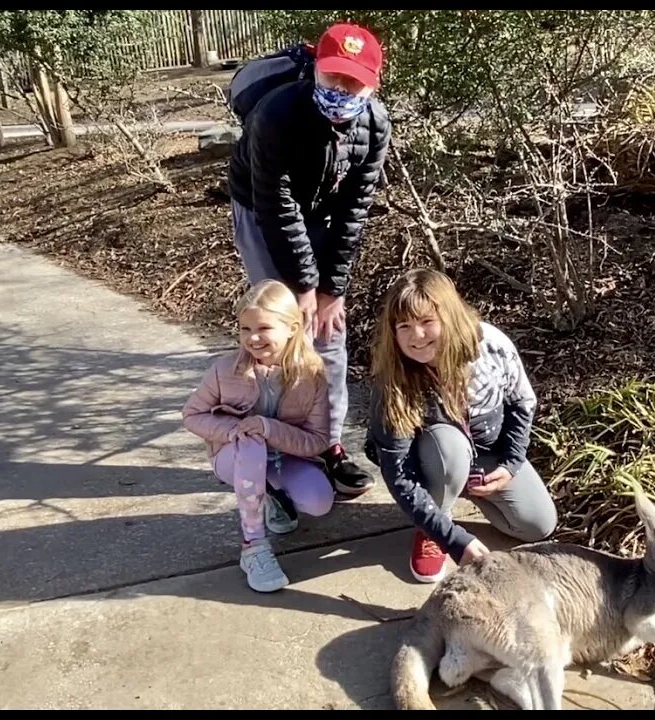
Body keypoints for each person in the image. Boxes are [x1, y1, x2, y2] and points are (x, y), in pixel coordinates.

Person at [226, 22, 391, 498]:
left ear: (372, 83)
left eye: (354, 81)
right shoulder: (274, 114)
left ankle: (328, 444)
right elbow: (277, 206)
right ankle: (268, 442)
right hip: (261, 209)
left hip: (323, 211)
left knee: (327, 331)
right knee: (277, 325)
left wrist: (331, 290)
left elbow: (355, 210)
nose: (341, 90)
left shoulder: (375, 124)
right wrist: (302, 288)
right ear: (315, 70)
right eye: (333, 76)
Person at [365, 269, 559, 583]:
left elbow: (523, 402)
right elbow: (397, 472)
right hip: (434, 459)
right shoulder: (392, 378)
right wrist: (455, 540)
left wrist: (511, 464)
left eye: (427, 322)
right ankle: (434, 522)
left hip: (486, 451)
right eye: (405, 326)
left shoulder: (491, 345)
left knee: (538, 526)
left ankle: (467, 489)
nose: (417, 336)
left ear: (450, 317)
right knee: (447, 449)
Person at [182, 279, 335, 592]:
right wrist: (234, 431)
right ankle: (253, 545)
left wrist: (269, 428)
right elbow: (192, 415)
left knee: (319, 501)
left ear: (292, 327)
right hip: (234, 456)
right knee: (251, 445)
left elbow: (319, 439)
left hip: (285, 458)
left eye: (263, 328)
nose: (252, 338)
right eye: (244, 329)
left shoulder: (312, 375)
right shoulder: (224, 371)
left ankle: (273, 497)